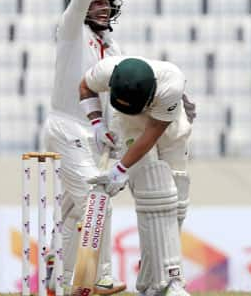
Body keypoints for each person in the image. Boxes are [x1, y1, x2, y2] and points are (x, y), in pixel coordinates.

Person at [43, 0, 129, 295]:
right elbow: (80, 2)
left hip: (92, 134)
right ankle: (102, 275)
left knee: (73, 212)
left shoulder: (110, 45)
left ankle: (60, 282)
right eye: (97, 1)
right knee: (99, 199)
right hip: (65, 125)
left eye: (108, 3)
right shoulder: (71, 30)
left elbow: (127, 85)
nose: (104, 8)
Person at [80, 56, 193, 296]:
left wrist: (120, 170)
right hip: (129, 125)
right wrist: (98, 123)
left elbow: (152, 133)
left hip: (166, 122)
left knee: (177, 196)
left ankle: (151, 282)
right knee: (155, 191)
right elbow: (85, 86)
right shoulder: (106, 70)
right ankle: (171, 281)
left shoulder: (169, 84)